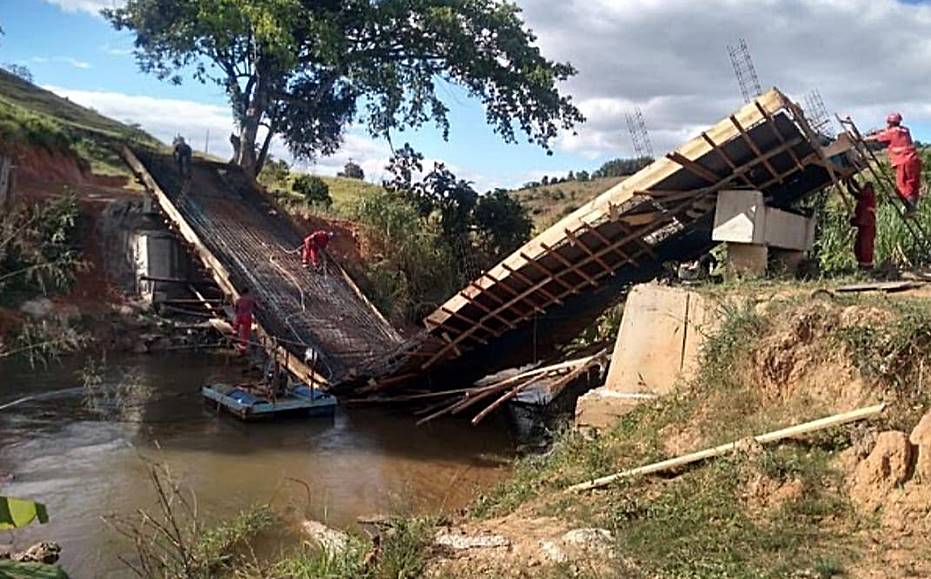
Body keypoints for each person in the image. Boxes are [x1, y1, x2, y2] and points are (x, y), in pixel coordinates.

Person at [865, 113, 923, 216]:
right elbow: (886, 131)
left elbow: (878, 137)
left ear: (890, 122)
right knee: (913, 185)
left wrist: (861, 138)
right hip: (914, 160)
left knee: (902, 187)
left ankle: (910, 209)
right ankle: (912, 208)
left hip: (904, 161)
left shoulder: (892, 132)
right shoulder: (905, 130)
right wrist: (878, 131)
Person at [850, 181, 877, 270]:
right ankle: (863, 263)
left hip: (867, 222)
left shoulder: (868, 195)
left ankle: (866, 264)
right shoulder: (865, 197)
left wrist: (850, 180)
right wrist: (850, 181)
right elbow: (855, 192)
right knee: (860, 244)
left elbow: (858, 192)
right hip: (864, 223)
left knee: (865, 245)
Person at [231, 288, 256, 353]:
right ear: (247, 293)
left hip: (239, 315)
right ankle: (242, 348)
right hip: (247, 317)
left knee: (236, 325)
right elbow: (256, 306)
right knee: (245, 333)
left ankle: (234, 336)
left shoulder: (239, 300)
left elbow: (235, 308)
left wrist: (237, 313)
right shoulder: (251, 300)